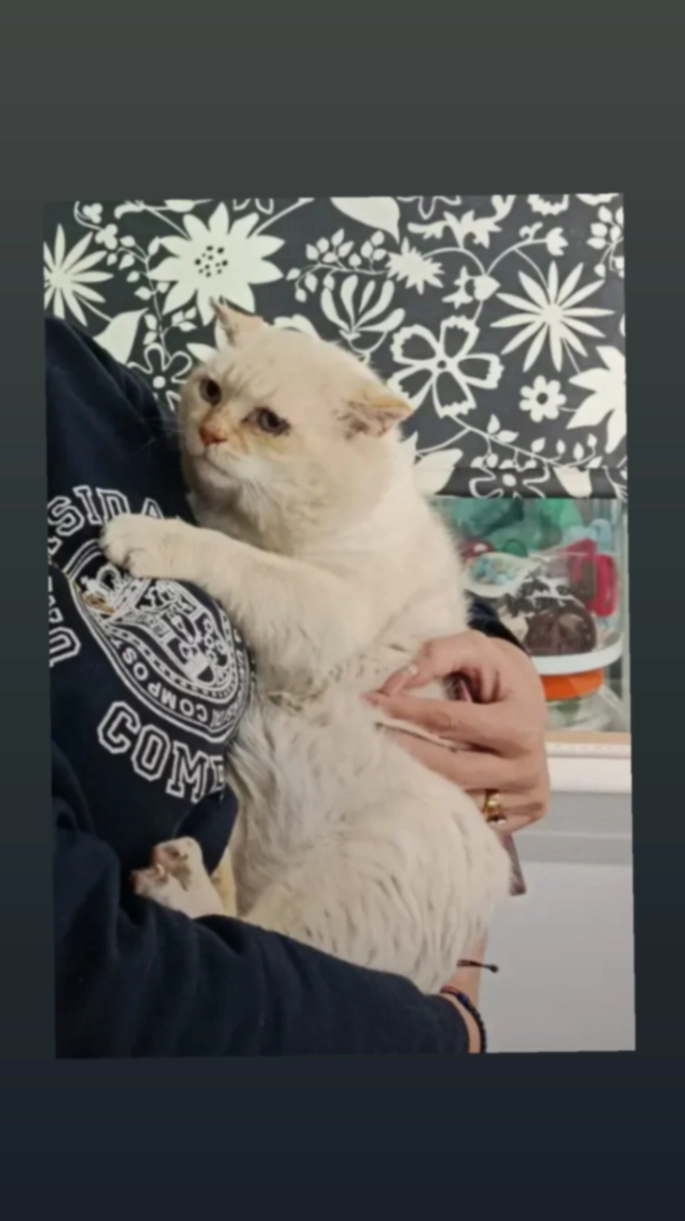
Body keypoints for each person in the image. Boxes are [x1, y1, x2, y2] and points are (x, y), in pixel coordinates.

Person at [48, 316, 549, 1057]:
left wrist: (499, 660)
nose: (212, 428)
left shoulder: (82, 377)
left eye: (260, 418)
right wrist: (449, 1032)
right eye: (209, 391)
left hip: (352, 851)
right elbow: (72, 968)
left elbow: (342, 583)